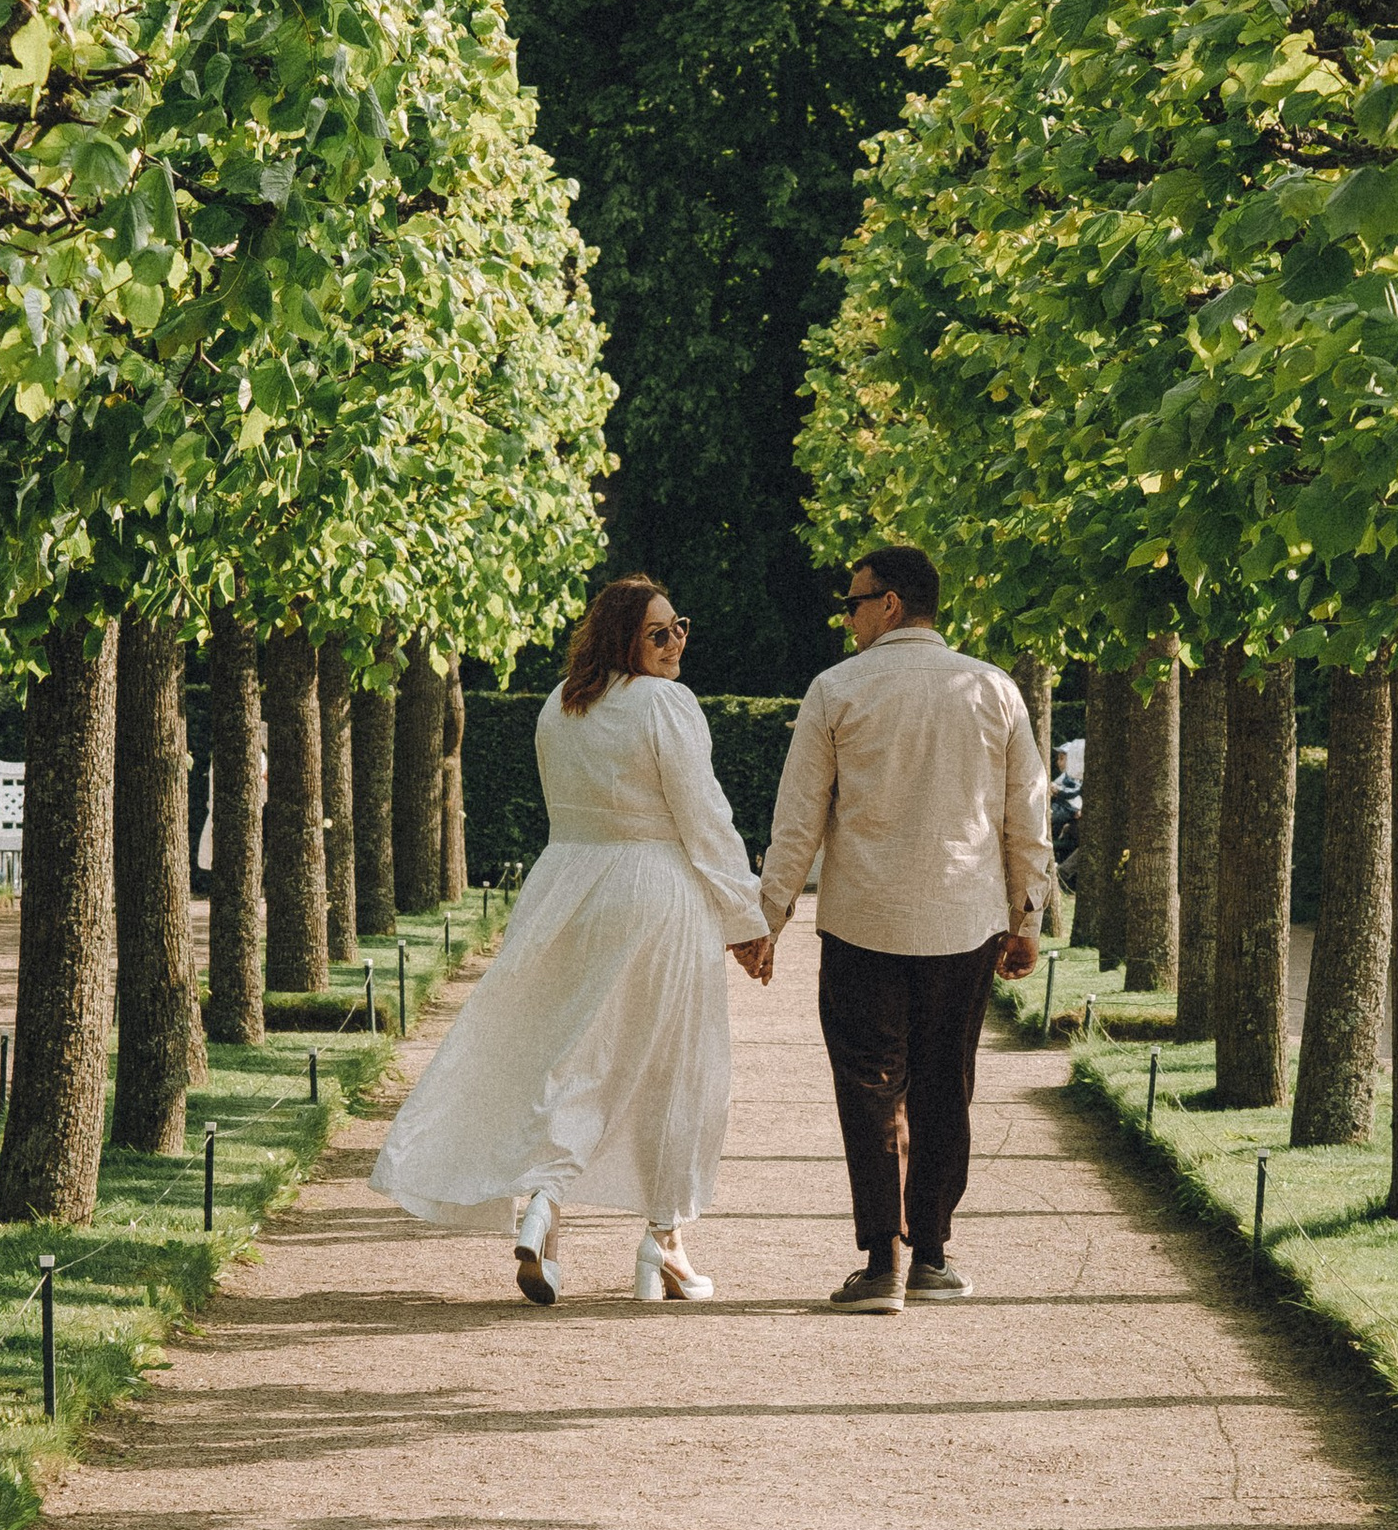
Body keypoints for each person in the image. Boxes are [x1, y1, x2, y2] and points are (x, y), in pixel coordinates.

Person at [372, 576, 770, 1304]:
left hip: (567, 887)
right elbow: (704, 819)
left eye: (680, 626)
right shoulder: (664, 705)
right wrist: (746, 921)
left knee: (574, 1054)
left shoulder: (561, 704)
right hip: (655, 891)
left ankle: (546, 1206)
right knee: (674, 1065)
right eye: (658, 633)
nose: (676, 641)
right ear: (624, 639)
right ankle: (661, 1240)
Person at [752, 543, 1050, 1310]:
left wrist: (770, 918)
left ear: (889, 605)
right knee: (946, 1085)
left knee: (869, 1087)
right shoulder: (994, 691)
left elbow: (798, 823)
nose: (846, 617)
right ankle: (934, 1256)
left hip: (862, 923)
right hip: (963, 922)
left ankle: (881, 1258)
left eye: (853, 603)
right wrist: (1027, 916)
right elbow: (1025, 818)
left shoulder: (836, 691)